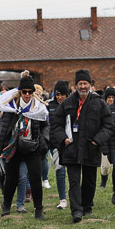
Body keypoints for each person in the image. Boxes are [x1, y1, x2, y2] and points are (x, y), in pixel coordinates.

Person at [49, 69, 112, 223]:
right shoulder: (67, 103)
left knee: (90, 181)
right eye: (80, 83)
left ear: (90, 84)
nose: (83, 86)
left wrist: (97, 140)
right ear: (75, 85)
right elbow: (56, 124)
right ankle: (76, 211)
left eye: (85, 83)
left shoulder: (99, 102)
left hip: (91, 147)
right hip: (72, 148)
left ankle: (86, 206)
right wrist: (63, 138)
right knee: (74, 181)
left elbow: (108, 125)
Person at [0, 71, 50, 220]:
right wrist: (1, 145)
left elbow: (45, 126)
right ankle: (6, 206)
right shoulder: (11, 107)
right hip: (14, 146)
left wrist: (43, 141)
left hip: (32, 146)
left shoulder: (38, 107)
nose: (27, 95)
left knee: (35, 178)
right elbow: (3, 126)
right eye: (24, 92)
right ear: (20, 92)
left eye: (30, 92)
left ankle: (38, 209)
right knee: (11, 178)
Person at [48, 80, 70, 209]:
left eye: (62, 94)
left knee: (72, 171)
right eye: (57, 94)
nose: (60, 97)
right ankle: (62, 198)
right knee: (60, 170)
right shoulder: (49, 106)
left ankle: (74, 194)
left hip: (70, 143)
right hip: (55, 143)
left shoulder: (72, 105)